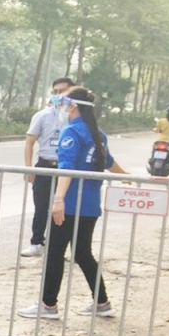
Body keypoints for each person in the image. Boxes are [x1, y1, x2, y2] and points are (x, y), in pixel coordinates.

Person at [19, 88, 125, 321]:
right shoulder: (98, 133)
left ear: (73, 106)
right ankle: (102, 302)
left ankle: (48, 305)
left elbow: (65, 168)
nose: (62, 108)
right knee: (82, 253)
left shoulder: (71, 132)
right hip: (90, 205)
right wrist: (127, 176)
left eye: (64, 103)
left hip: (69, 204)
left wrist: (58, 200)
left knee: (55, 253)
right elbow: (108, 162)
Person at [21, 77, 74, 257]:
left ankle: (61, 248)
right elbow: (29, 142)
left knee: (65, 208)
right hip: (45, 165)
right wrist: (29, 169)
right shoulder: (42, 116)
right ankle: (37, 243)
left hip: (66, 167)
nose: (59, 95)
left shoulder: (74, 117)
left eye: (64, 91)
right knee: (41, 207)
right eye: (56, 91)